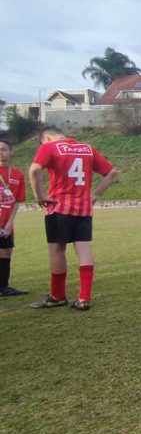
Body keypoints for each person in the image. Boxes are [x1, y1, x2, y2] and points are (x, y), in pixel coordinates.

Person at [28, 127, 117, 311]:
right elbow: (112, 173)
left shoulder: (49, 147)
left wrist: (40, 196)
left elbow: (34, 170)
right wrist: (96, 194)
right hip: (83, 207)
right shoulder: (87, 148)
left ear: (47, 138)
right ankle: (84, 298)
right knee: (83, 247)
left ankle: (57, 295)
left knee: (57, 249)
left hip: (59, 205)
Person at [0, 140, 28, 297]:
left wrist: (10, 223)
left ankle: (3, 287)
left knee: (5, 253)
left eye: (4, 149)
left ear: (10, 152)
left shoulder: (18, 175)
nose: (1, 152)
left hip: (6, 223)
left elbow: (17, 200)